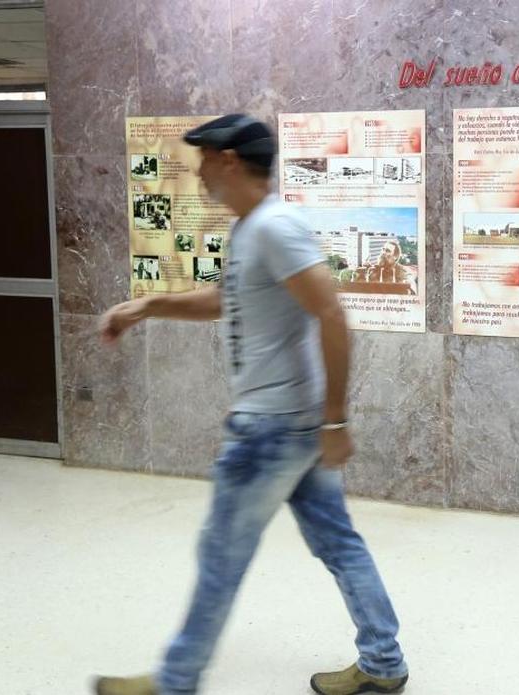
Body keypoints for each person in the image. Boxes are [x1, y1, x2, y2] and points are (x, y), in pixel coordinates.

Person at [93, 115, 409, 695]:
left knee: (221, 556)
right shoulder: (252, 229)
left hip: (271, 429)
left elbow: (333, 315)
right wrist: (149, 306)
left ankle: (175, 681)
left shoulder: (273, 226)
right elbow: (227, 301)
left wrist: (337, 419)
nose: (198, 172)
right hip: (296, 424)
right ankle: (383, 663)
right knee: (337, 541)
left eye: (204, 159)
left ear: (229, 160)